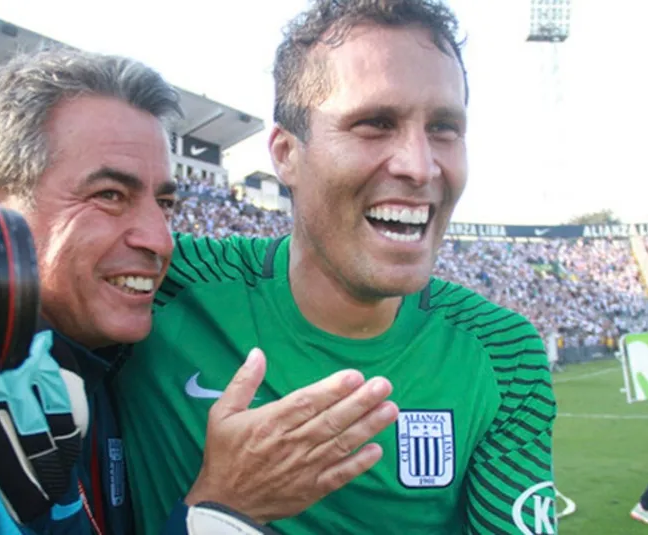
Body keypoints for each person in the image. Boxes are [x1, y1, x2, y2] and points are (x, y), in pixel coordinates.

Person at [114, 0, 558, 534]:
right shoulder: (164, 283)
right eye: (374, 124)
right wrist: (222, 506)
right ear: (287, 154)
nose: (419, 166)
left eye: (443, 128)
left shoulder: (504, 352)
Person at [0, 47, 398, 534]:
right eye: (109, 195)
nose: (160, 240)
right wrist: (221, 509)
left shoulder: (110, 355)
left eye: (165, 203)